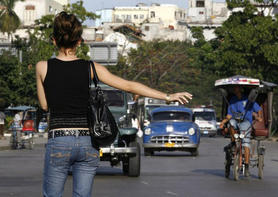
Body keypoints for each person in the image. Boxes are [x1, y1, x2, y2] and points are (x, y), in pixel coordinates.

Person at [36, 11, 192, 197]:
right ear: (79, 42)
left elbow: (45, 106)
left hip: (59, 139)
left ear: (54, 40)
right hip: (88, 141)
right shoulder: (91, 68)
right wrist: (167, 96)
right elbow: (128, 85)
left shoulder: (42, 67)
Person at [219, 86, 262, 177]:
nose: (235, 90)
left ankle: (246, 166)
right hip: (236, 121)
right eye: (234, 89)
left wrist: (259, 117)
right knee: (231, 123)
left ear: (240, 90)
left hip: (246, 122)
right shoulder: (233, 100)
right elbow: (229, 115)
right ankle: (234, 142)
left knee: (246, 143)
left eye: (236, 89)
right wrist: (222, 122)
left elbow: (258, 109)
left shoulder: (249, 99)